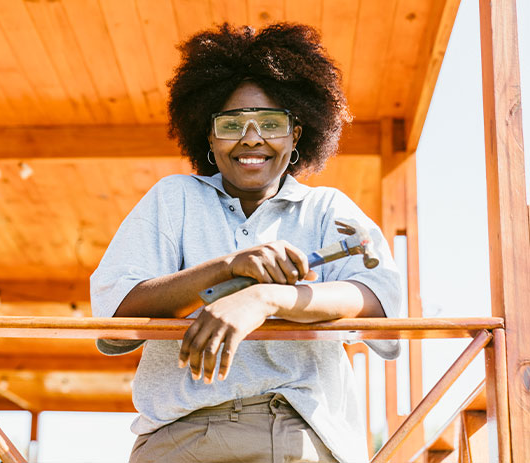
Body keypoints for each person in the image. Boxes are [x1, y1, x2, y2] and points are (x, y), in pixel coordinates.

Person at [90, 23, 401, 463]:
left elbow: (376, 298)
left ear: (296, 135)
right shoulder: (173, 198)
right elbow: (115, 313)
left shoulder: (327, 207)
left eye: (271, 123)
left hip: (299, 432)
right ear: (209, 137)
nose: (252, 137)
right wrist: (228, 266)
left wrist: (266, 299)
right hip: (179, 438)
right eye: (232, 123)